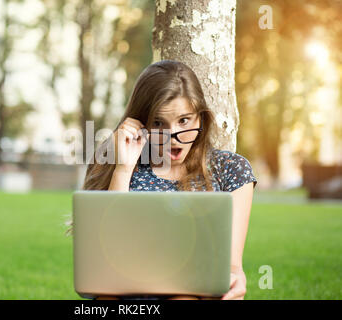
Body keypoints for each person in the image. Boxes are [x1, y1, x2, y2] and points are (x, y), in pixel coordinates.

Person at [66, 59, 257, 300]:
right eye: (158, 123)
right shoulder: (114, 160)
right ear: (140, 123)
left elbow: (230, 269)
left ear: (200, 118)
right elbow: (105, 264)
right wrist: (123, 169)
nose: (173, 137)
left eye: (184, 121)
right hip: (121, 295)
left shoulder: (231, 169)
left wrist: (235, 282)